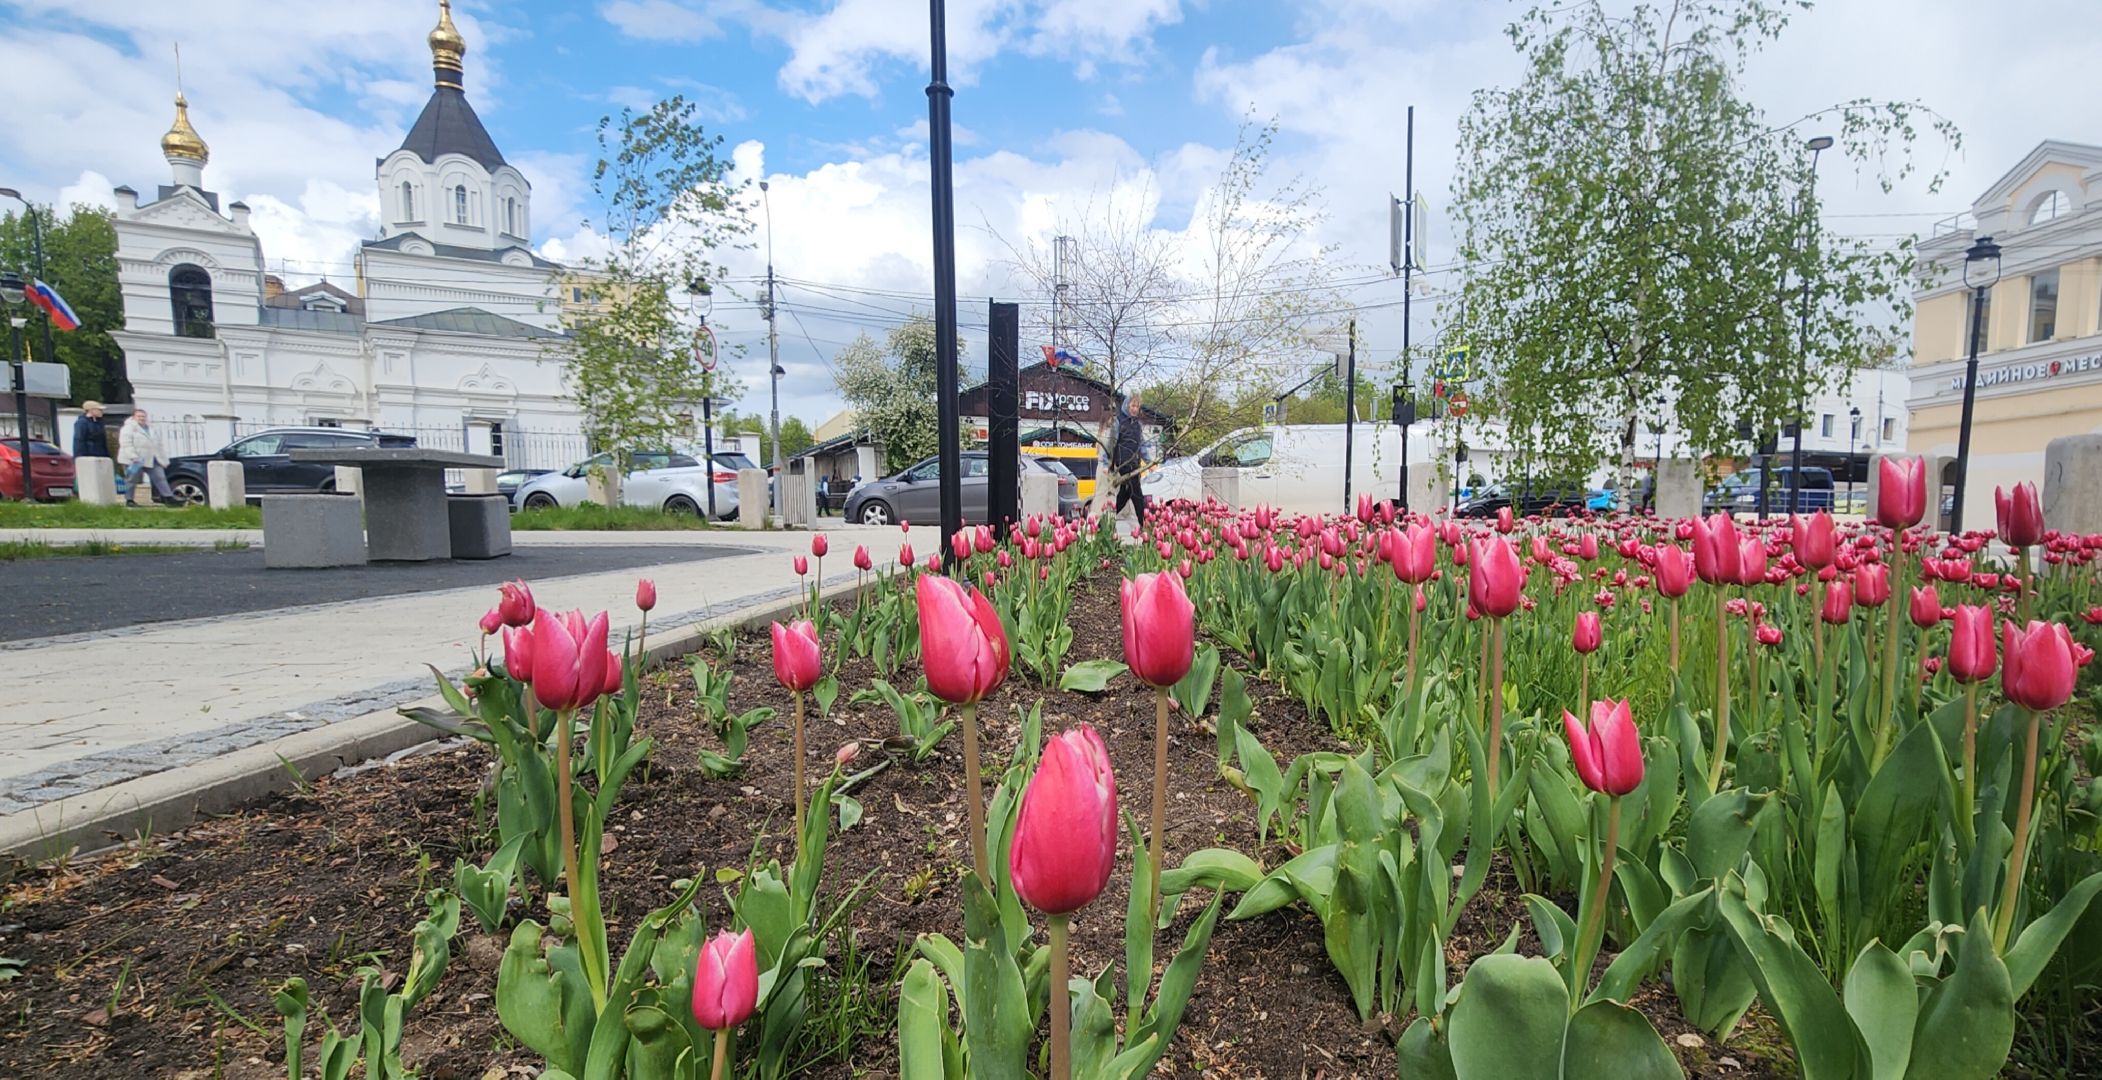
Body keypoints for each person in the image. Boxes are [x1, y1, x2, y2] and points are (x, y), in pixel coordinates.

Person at [117, 408, 176, 505]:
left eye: (143, 416)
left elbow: (159, 445)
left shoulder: (151, 428)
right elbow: (126, 444)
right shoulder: (128, 428)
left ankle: (168, 497)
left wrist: (164, 460)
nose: (142, 418)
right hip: (134, 459)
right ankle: (129, 500)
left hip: (151, 458)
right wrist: (133, 456)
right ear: (134, 417)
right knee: (132, 479)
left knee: (160, 477)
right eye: (139, 416)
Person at [1109, 391, 1148, 527]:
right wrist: (1108, 464)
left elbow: (1142, 446)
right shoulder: (1119, 422)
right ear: (1127, 406)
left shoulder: (1137, 425)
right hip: (1123, 463)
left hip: (1134, 464)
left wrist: (1149, 462)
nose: (1135, 409)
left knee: (1125, 495)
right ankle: (1144, 525)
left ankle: (1106, 521)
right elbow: (1111, 443)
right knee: (1137, 494)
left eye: (1137, 407)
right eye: (1132, 406)